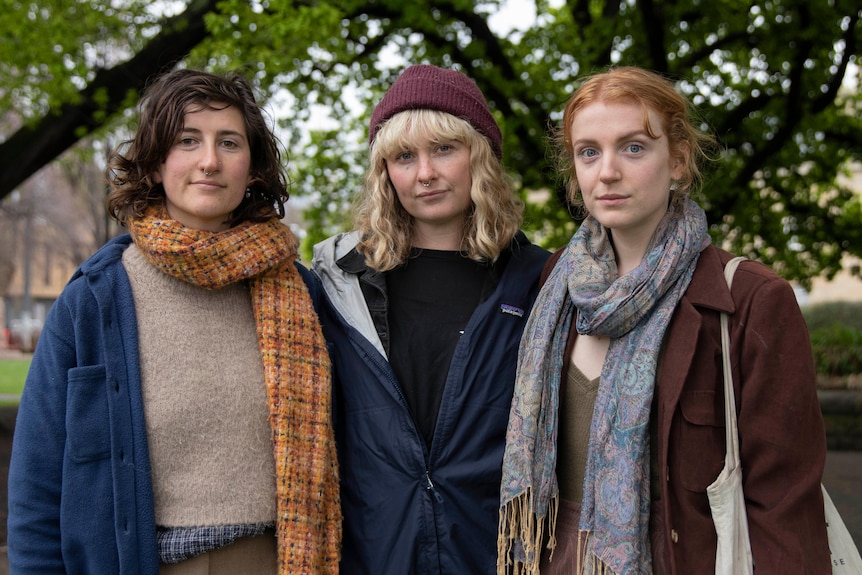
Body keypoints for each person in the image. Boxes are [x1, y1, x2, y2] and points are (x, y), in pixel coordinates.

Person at [497, 66, 831, 574]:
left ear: (677, 162)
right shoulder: (554, 285)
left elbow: (784, 508)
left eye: (633, 147)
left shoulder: (751, 301)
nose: (607, 171)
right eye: (589, 152)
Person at [7, 68, 340, 574]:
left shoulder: (302, 292)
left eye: (229, 142)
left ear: (252, 169)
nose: (210, 161)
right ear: (157, 163)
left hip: (275, 561)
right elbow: (37, 479)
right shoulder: (95, 299)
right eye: (188, 141)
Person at [311, 63, 550, 574]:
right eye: (404, 156)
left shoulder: (539, 281)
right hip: (375, 551)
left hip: (497, 552)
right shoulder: (337, 283)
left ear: (479, 156)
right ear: (385, 174)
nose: (425, 173)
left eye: (444, 149)